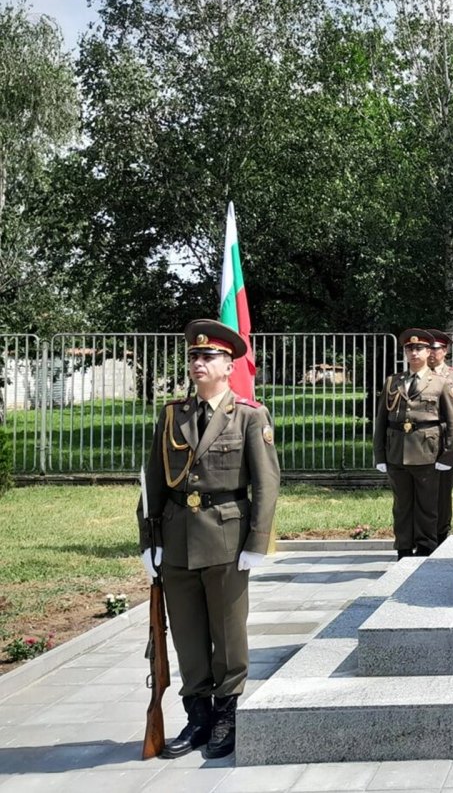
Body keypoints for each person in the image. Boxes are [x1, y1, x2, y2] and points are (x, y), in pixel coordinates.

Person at [137, 319, 280, 759]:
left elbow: (267, 482)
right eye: (194, 357)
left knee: (227, 631)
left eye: (208, 357)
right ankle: (196, 716)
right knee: (186, 632)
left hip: (227, 533)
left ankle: (226, 714)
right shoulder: (172, 415)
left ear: (228, 366)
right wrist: (149, 539)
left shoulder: (250, 415)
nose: (198, 364)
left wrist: (257, 540)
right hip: (178, 537)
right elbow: (153, 482)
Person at [373, 329, 453, 558]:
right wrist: (380, 455)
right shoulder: (393, 381)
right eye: (409, 349)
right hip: (397, 451)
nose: (414, 353)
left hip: (427, 450)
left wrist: (448, 455)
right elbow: (381, 420)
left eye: (419, 348)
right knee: (401, 505)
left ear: (427, 351)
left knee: (427, 504)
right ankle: (403, 546)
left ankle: (425, 546)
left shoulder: (441, 383)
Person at [424, 329, 453, 546]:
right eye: (429, 349)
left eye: (435, 349)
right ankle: (424, 534)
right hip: (421, 439)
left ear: (445, 351)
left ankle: (442, 531)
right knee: (423, 487)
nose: (431, 353)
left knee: (443, 489)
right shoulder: (419, 374)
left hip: (446, 438)